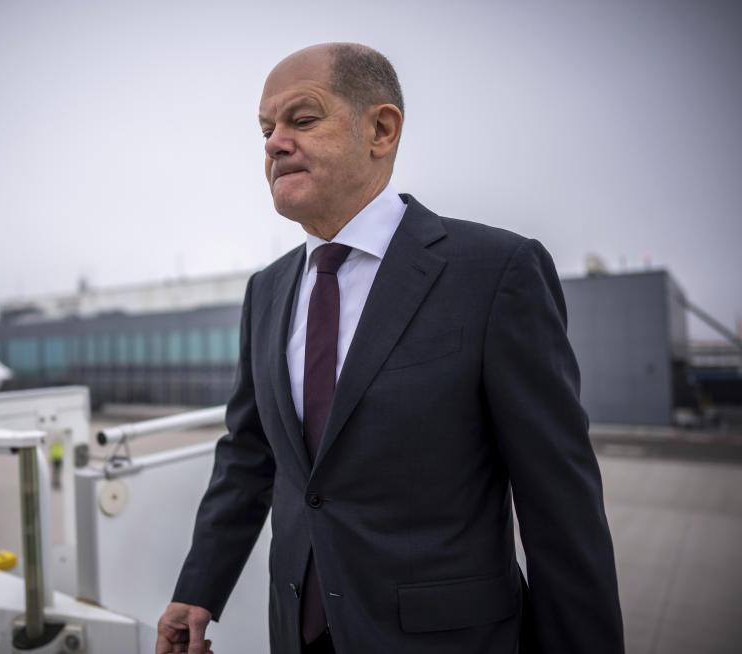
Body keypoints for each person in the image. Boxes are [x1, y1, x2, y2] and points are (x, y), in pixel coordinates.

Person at [156, 43, 624, 654]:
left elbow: (561, 505)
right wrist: (200, 589)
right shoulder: (266, 291)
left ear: (381, 129)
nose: (273, 144)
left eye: (301, 119)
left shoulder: (494, 272)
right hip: (298, 635)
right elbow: (249, 458)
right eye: (266, 130)